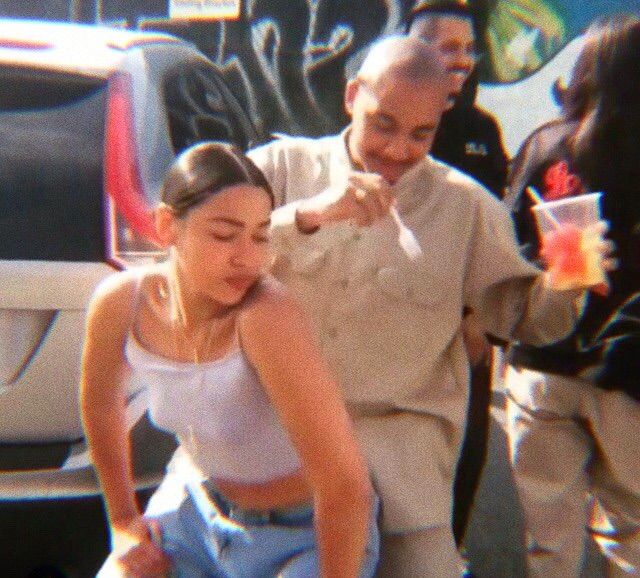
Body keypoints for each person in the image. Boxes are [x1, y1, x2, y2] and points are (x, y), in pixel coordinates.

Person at [248, 35, 607, 577]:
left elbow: (529, 320)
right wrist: (304, 218)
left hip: (400, 472)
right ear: (351, 98)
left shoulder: (467, 208)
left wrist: (570, 276)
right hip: (271, 447)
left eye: (422, 133)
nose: (397, 150)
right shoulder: (276, 170)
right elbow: (199, 267)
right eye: (383, 124)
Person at [81, 142, 380, 578]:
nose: (249, 257)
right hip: (195, 511)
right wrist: (123, 520)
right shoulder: (121, 303)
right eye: (224, 234)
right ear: (167, 225)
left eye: (261, 235)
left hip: (305, 534)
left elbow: (346, 487)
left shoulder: (266, 316)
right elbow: (101, 406)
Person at [503, 14, 640, 577]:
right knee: (631, 535)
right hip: (629, 376)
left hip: (543, 366)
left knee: (550, 543)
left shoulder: (547, 147)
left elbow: (507, 248)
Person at [406, 0, 510, 550]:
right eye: (449, 47)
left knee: (466, 447)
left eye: (470, 50)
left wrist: (479, 317)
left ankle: (451, 552)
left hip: (468, 334)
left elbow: (494, 234)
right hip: (400, 324)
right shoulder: (390, 124)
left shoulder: (481, 128)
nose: (464, 60)